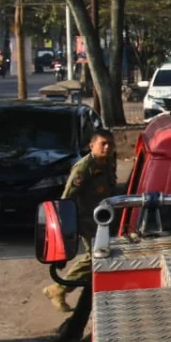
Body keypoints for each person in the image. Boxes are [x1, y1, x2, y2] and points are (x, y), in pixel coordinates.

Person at [43, 129, 117, 312]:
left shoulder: (109, 162)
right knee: (96, 257)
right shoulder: (83, 168)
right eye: (103, 144)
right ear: (92, 146)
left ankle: (62, 289)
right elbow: (67, 197)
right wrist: (63, 223)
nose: (107, 147)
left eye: (110, 144)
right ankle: (59, 289)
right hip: (85, 220)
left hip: (102, 218)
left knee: (98, 256)